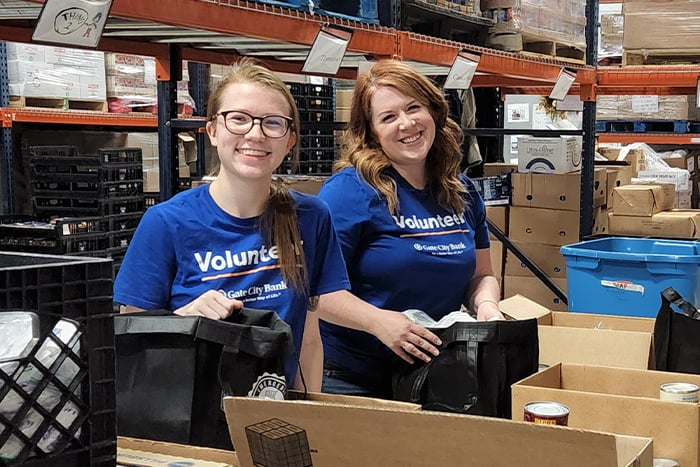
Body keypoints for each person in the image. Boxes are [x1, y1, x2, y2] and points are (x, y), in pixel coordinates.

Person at [113, 58, 350, 392]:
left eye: (272, 123)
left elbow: (309, 339)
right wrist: (185, 320)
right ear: (212, 131)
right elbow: (133, 340)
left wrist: (309, 418)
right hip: (192, 416)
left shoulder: (311, 218)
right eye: (238, 119)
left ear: (290, 139)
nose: (255, 133)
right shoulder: (167, 222)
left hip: (274, 410)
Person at [316, 59, 504, 398]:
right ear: (371, 131)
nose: (407, 124)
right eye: (388, 117)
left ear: (432, 110)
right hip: (354, 377)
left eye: (413, 108)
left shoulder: (459, 191)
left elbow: (481, 275)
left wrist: (487, 307)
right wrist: (378, 322)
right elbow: (314, 290)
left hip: (437, 370)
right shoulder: (349, 192)